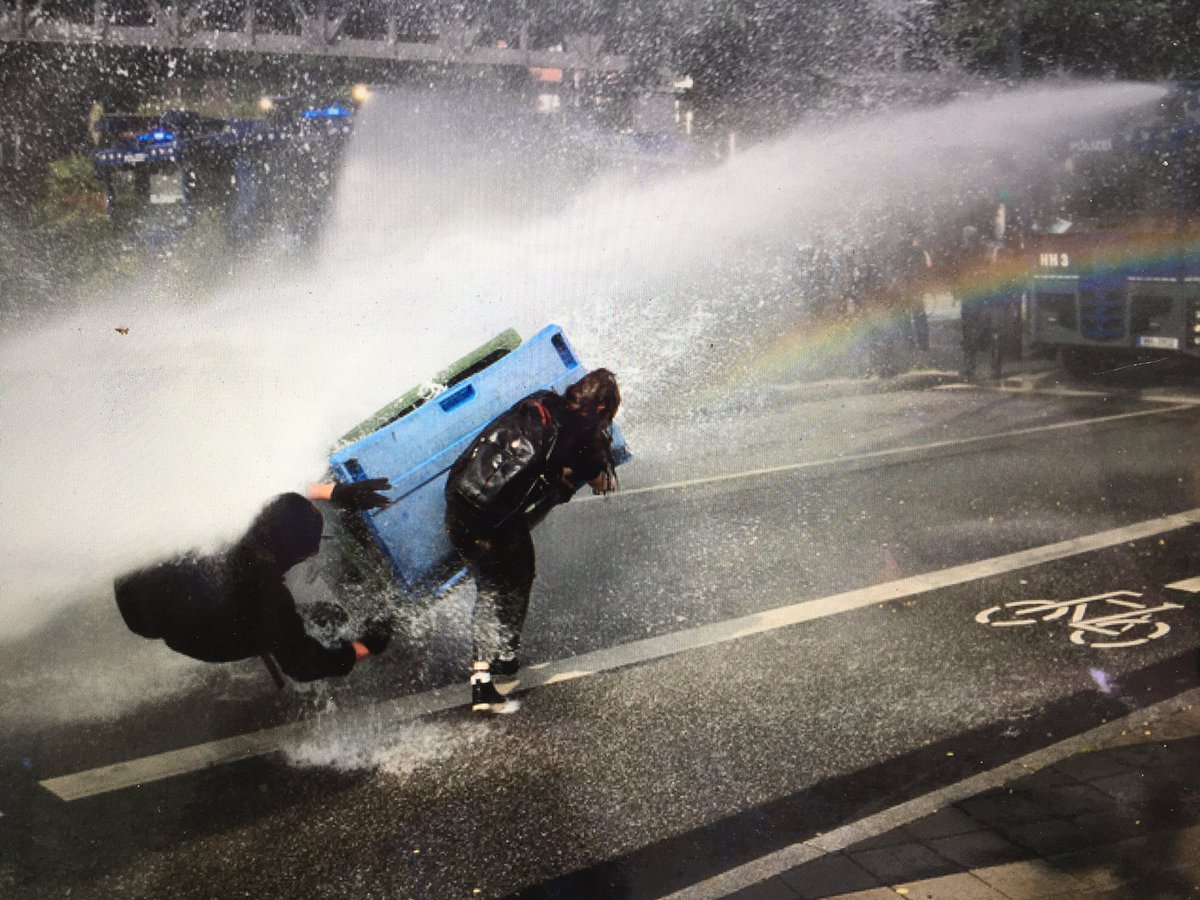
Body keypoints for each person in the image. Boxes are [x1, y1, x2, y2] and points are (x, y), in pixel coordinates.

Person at [444, 369, 621, 714]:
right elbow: (602, 484)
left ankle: (496, 664)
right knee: (513, 578)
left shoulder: (541, 400)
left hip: (458, 498)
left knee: (489, 583)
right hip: (496, 520)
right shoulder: (587, 440)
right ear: (602, 409)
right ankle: (497, 664)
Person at [114, 479, 394, 683]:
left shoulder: (230, 522)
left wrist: (334, 491)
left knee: (242, 607)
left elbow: (272, 497)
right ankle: (272, 635)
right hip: (189, 635)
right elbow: (301, 665)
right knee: (317, 620)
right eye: (312, 549)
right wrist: (364, 646)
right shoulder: (268, 598)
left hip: (134, 579)